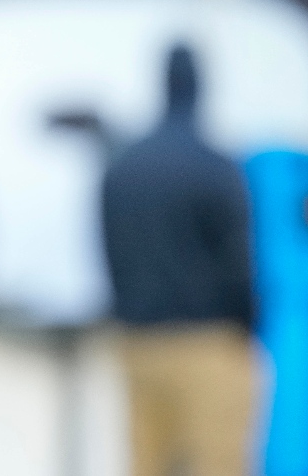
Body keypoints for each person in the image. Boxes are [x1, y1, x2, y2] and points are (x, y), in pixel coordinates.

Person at [100, 43, 256, 476]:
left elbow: (109, 257)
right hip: (209, 343)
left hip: (138, 344)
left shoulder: (123, 167)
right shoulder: (216, 167)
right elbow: (237, 263)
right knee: (217, 465)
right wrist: (247, 328)